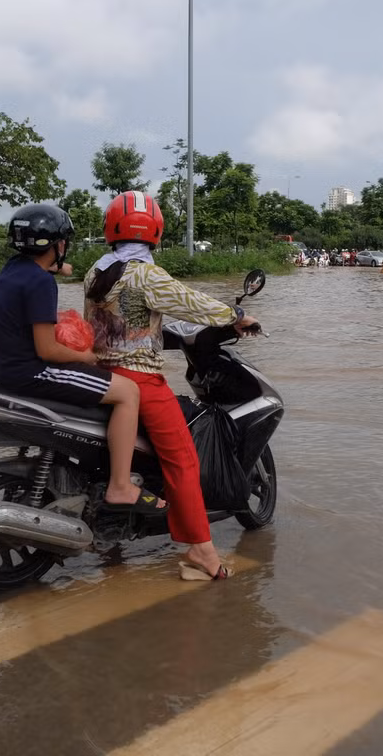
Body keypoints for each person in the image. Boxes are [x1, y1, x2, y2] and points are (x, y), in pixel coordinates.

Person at [85, 191, 260, 581]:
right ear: (156, 231)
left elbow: (139, 317)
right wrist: (236, 315)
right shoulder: (146, 274)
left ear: (110, 228)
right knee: (183, 459)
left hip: (101, 373)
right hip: (140, 380)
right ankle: (201, 551)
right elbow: (190, 302)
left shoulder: (97, 271)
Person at [0, 203, 154, 513]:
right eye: (64, 242)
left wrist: (60, 268)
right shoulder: (40, 283)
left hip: (6, 369)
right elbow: (48, 350)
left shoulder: (14, 269)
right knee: (129, 392)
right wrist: (87, 356)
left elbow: (49, 270)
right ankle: (120, 486)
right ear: (57, 244)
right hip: (33, 371)